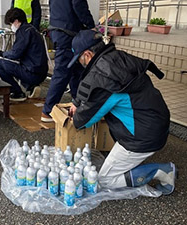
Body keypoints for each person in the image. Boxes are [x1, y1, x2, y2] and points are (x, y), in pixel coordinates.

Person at [68, 30, 176, 195]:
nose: (81, 64)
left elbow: (82, 121)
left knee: (104, 180)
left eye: (80, 59)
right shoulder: (117, 58)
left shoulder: (104, 80)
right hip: (156, 121)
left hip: (143, 136)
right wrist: (78, 102)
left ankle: (163, 172)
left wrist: (77, 112)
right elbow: (91, 89)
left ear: (88, 54)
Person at [40, 0, 95, 122]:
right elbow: (79, 6)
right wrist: (91, 26)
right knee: (63, 73)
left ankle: (79, 105)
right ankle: (48, 111)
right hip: (69, 33)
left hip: (60, 32)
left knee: (77, 71)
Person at [0, 8, 48, 102]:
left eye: (11, 24)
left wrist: (2, 53)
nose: (11, 27)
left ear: (16, 21)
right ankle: (31, 87)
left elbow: (15, 54)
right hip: (41, 72)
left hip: (32, 73)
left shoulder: (23, 32)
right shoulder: (32, 29)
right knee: (18, 65)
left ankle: (17, 92)